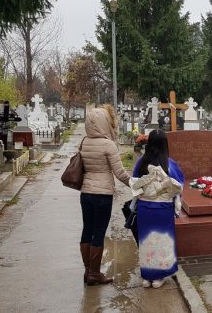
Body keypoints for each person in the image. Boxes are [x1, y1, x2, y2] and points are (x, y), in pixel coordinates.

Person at [79, 105, 131, 286]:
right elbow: (120, 173)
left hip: (85, 193)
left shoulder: (84, 142)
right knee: (99, 233)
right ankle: (95, 273)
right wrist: (135, 184)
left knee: (87, 230)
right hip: (102, 194)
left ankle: (87, 271)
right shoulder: (108, 145)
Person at [130, 129, 184, 288]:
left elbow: (134, 182)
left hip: (145, 207)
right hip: (163, 208)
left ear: (149, 143)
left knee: (146, 241)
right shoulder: (169, 164)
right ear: (165, 144)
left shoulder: (141, 163)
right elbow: (179, 185)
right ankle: (159, 277)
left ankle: (147, 277)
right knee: (162, 241)